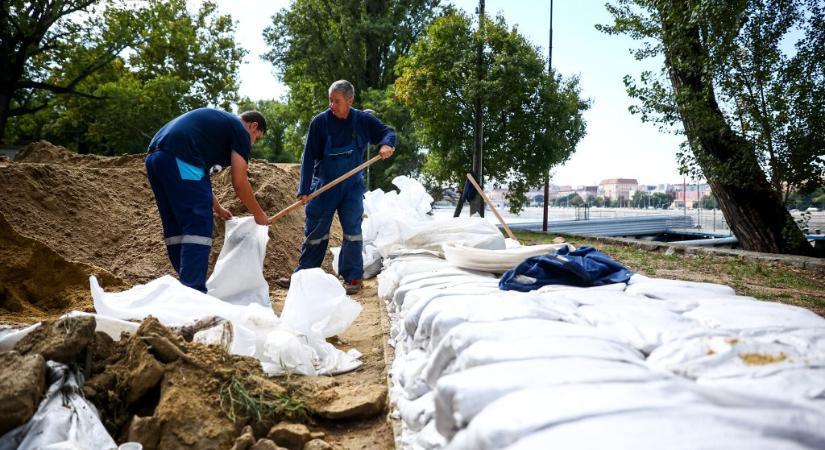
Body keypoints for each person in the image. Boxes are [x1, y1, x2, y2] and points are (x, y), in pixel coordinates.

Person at [277, 80, 396, 294]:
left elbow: (387, 132)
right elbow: (308, 157)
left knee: (352, 232)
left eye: (337, 101)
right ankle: (305, 275)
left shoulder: (363, 120)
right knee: (315, 233)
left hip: (352, 187)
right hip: (325, 184)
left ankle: (352, 277)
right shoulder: (320, 122)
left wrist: (387, 144)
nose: (332, 104)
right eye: (330, 100)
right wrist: (304, 189)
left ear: (350, 101)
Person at [145, 108, 269, 293]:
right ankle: (193, 291)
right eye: (256, 138)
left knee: (176, 224)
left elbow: (197, 179)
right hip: (181, 155)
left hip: (156, 158)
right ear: (253, 126)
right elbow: (239, 182)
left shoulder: (216, 128)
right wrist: (258, 214)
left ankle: (185, 287)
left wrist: (216, 206)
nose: (252, 143)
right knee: (198, 223)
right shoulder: (241, 132)